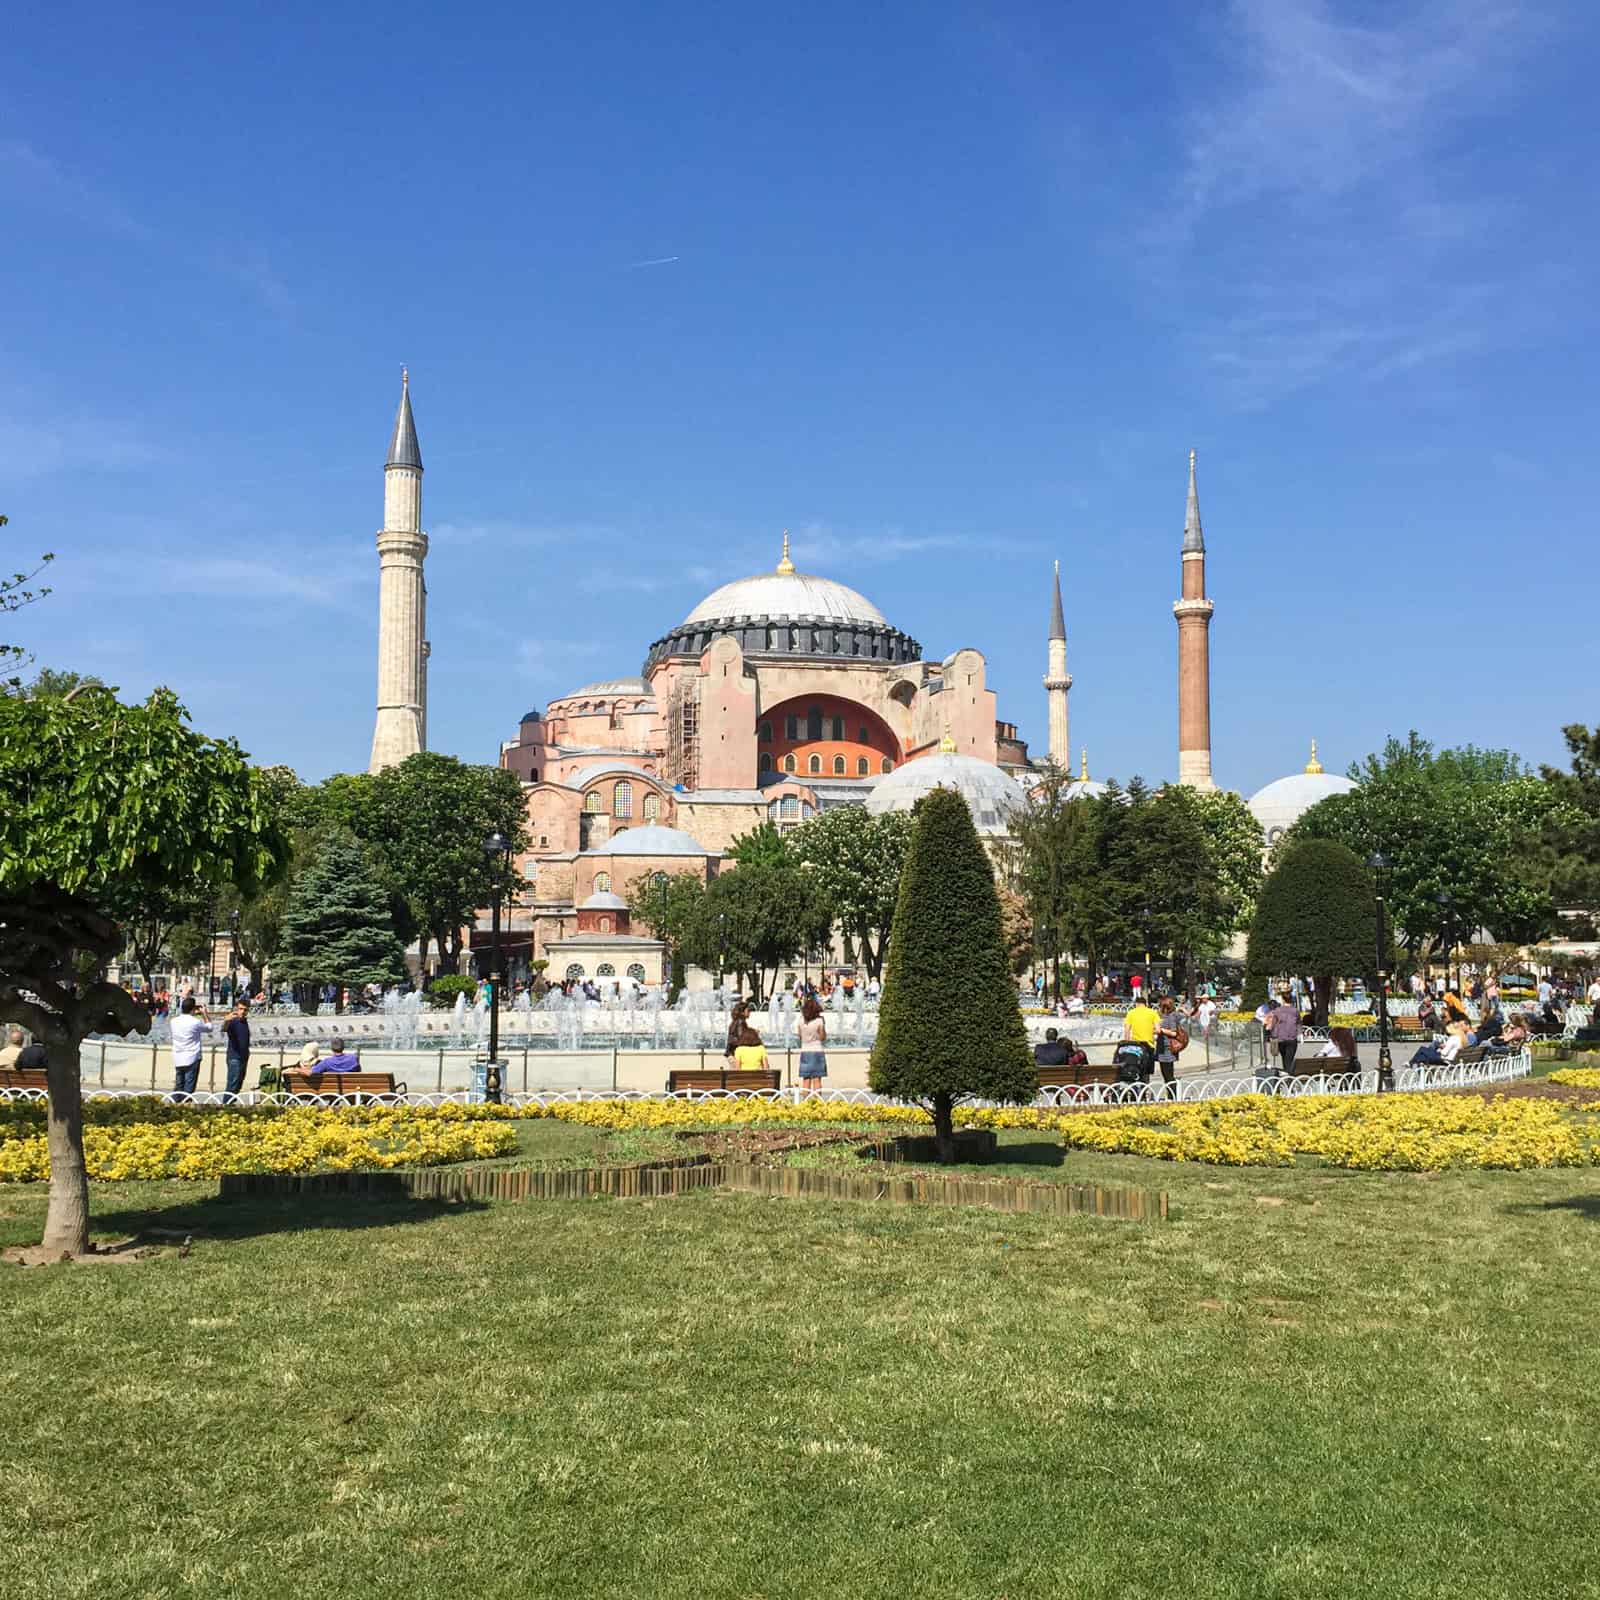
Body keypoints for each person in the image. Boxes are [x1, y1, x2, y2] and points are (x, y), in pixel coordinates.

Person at [170, 994, 212, 1098]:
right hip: (192, 1057)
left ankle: (175, 1105)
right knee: (189, 1087)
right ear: (193, 1009)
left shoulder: (173, 1021)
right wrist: (204, 1014)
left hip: (178, 1057)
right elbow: (209, 1027)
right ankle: (186, 1105)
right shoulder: (195, 1022)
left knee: (179, 1085)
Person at [1154, 997, 1187, 1097]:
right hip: (1162, 1048)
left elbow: (1173, 1033)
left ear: (1165, 1006)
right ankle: (1170, 1094)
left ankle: (1173, 1096)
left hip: (1168, 1049)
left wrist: (1161, 1030)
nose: (1159, 1007)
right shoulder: (1167, 1016)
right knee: (1166, 1074)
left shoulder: (1171, 1017)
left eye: (1160, 1005)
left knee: (1168, 1075)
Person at [1266, 990, 1301, 1077]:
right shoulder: (1295, 1011)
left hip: (1280, 1038)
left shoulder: (1277, 1011)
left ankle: (1287, 1076)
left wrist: (1271, 1035)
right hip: (1292, 1038)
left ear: (1283, 1000)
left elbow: (1273, 1025)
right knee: (1289, 1059)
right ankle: (1289, 1077)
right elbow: (1299, 1023)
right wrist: (1300, 1034)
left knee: (1285, 1059)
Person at [797, 996, 828, 1093]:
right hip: (817, 1051)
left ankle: (805, 1102)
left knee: (806, 1080)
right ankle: (816, 1102)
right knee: (817, 1080)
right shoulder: (819, 1021)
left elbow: (800, 1036)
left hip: (805, 1050)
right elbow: (823, 1037)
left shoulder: (801, 1021)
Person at [222, 1000, 251, 1099]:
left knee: (238, 1085)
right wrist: (226, 1021)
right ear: (236, 1009)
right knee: (232, 1085)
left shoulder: (244, 1021)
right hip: (234, 1058)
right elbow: (224, 1029)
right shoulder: (233, 1021)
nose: (242, 1011)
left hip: (243, 1057)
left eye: (245, 1010)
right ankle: (226, 1106)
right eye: (240, 1009)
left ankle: (231, 1105)